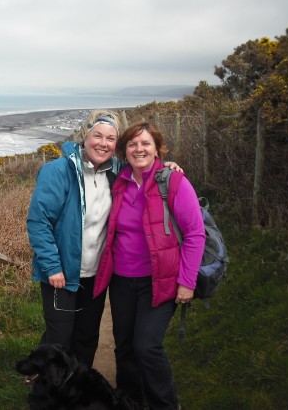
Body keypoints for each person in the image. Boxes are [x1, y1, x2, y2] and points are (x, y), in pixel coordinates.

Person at [26, 111, 181, 380]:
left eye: (111, 138)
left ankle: (78, 394)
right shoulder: (58, 171)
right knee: (59, 341)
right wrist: (52, 267)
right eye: (97, 135)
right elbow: (39, 222)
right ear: (84, 137)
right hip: (61, 275)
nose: (103, 143)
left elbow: (143, 164)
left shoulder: (117, 172)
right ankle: (45, 394)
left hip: (97, 275)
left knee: (86, 340)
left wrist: (167, 166)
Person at [93, 120, 206, 409]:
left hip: (161, 280)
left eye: (145, 143)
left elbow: (195, 233)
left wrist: (187, 282)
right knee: (125, 347)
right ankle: (130, 402)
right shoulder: (120, 182)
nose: (138, 149)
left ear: (158, 149)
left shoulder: (174, 181)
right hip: (121, 282)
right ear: (124, 151)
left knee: (147, 346)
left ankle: (165, 404)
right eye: (132, 144)